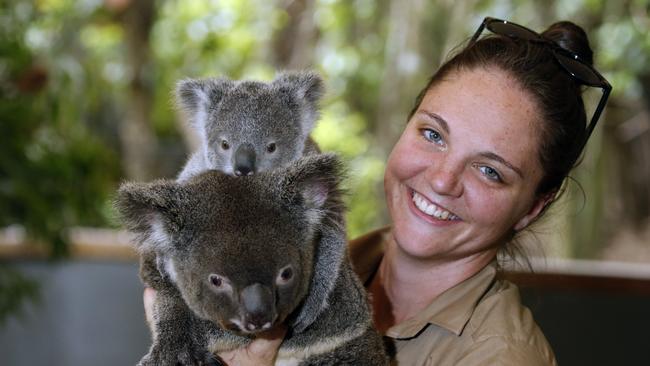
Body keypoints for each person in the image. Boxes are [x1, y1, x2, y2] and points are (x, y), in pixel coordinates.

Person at [144, 16, 611, 365]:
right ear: (405, 127)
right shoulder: (324, 255)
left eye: (491, 171)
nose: (443, 179)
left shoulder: (501, 356)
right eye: (433, 135)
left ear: (532, 208)